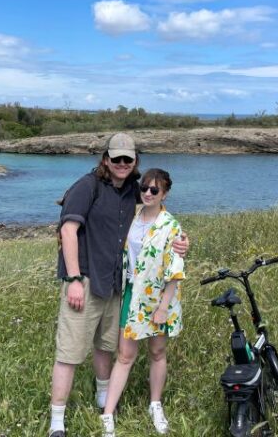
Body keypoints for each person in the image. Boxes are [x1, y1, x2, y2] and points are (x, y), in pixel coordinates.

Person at [49, 134, 188, 437]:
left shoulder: (132, 193)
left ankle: (104, 400)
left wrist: (181, 244)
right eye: (116, 159)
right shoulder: (87, 187)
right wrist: (73, 278)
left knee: (106, 346)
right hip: (85, 279)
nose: (122, 164)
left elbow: (159, 220)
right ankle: (56, 421)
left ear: (135, 161)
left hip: (116, 284)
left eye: (128, 159)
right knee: (70, 351)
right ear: (106, 159)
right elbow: (68, 230)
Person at [100, 168, 184, 437]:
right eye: (144, 188)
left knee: (157, 352)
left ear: (165, 193)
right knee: (125, 356)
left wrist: (163, 307)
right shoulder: (133, 219)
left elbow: (175, 270)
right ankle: (108, 415)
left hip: (159, 299)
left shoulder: (170, 225)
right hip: (132, 296)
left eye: (154, 190)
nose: (147, 193)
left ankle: (155, 404)